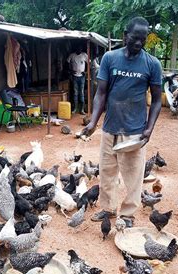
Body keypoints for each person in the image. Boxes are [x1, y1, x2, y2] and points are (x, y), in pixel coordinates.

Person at [81, 16, 162, 223]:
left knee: (133, 177)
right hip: (110, 129)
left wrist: (149, 129)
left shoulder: (152, 64)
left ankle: (127, 215)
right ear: (125, 35)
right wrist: (93, 122)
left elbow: (156, 101)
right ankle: (108, 210)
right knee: (107, 173)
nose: (138, 43)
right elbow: (101, 93)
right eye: (135, 38)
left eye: (142, 40)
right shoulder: (110, 58)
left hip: (135, 131)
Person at [67, 46, 88, 114]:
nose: (79, 49)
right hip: (74, 76)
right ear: (76, 49)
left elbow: (89, 63)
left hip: (82, 77)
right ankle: (75, 109)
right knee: (75, 93)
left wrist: (86, 72)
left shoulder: (84, 55)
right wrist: (70, 71)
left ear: (81, 49)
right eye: (78, 48)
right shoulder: (72, 55)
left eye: (80, 49)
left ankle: (82, 110)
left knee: (81, 92)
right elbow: (67, 63)